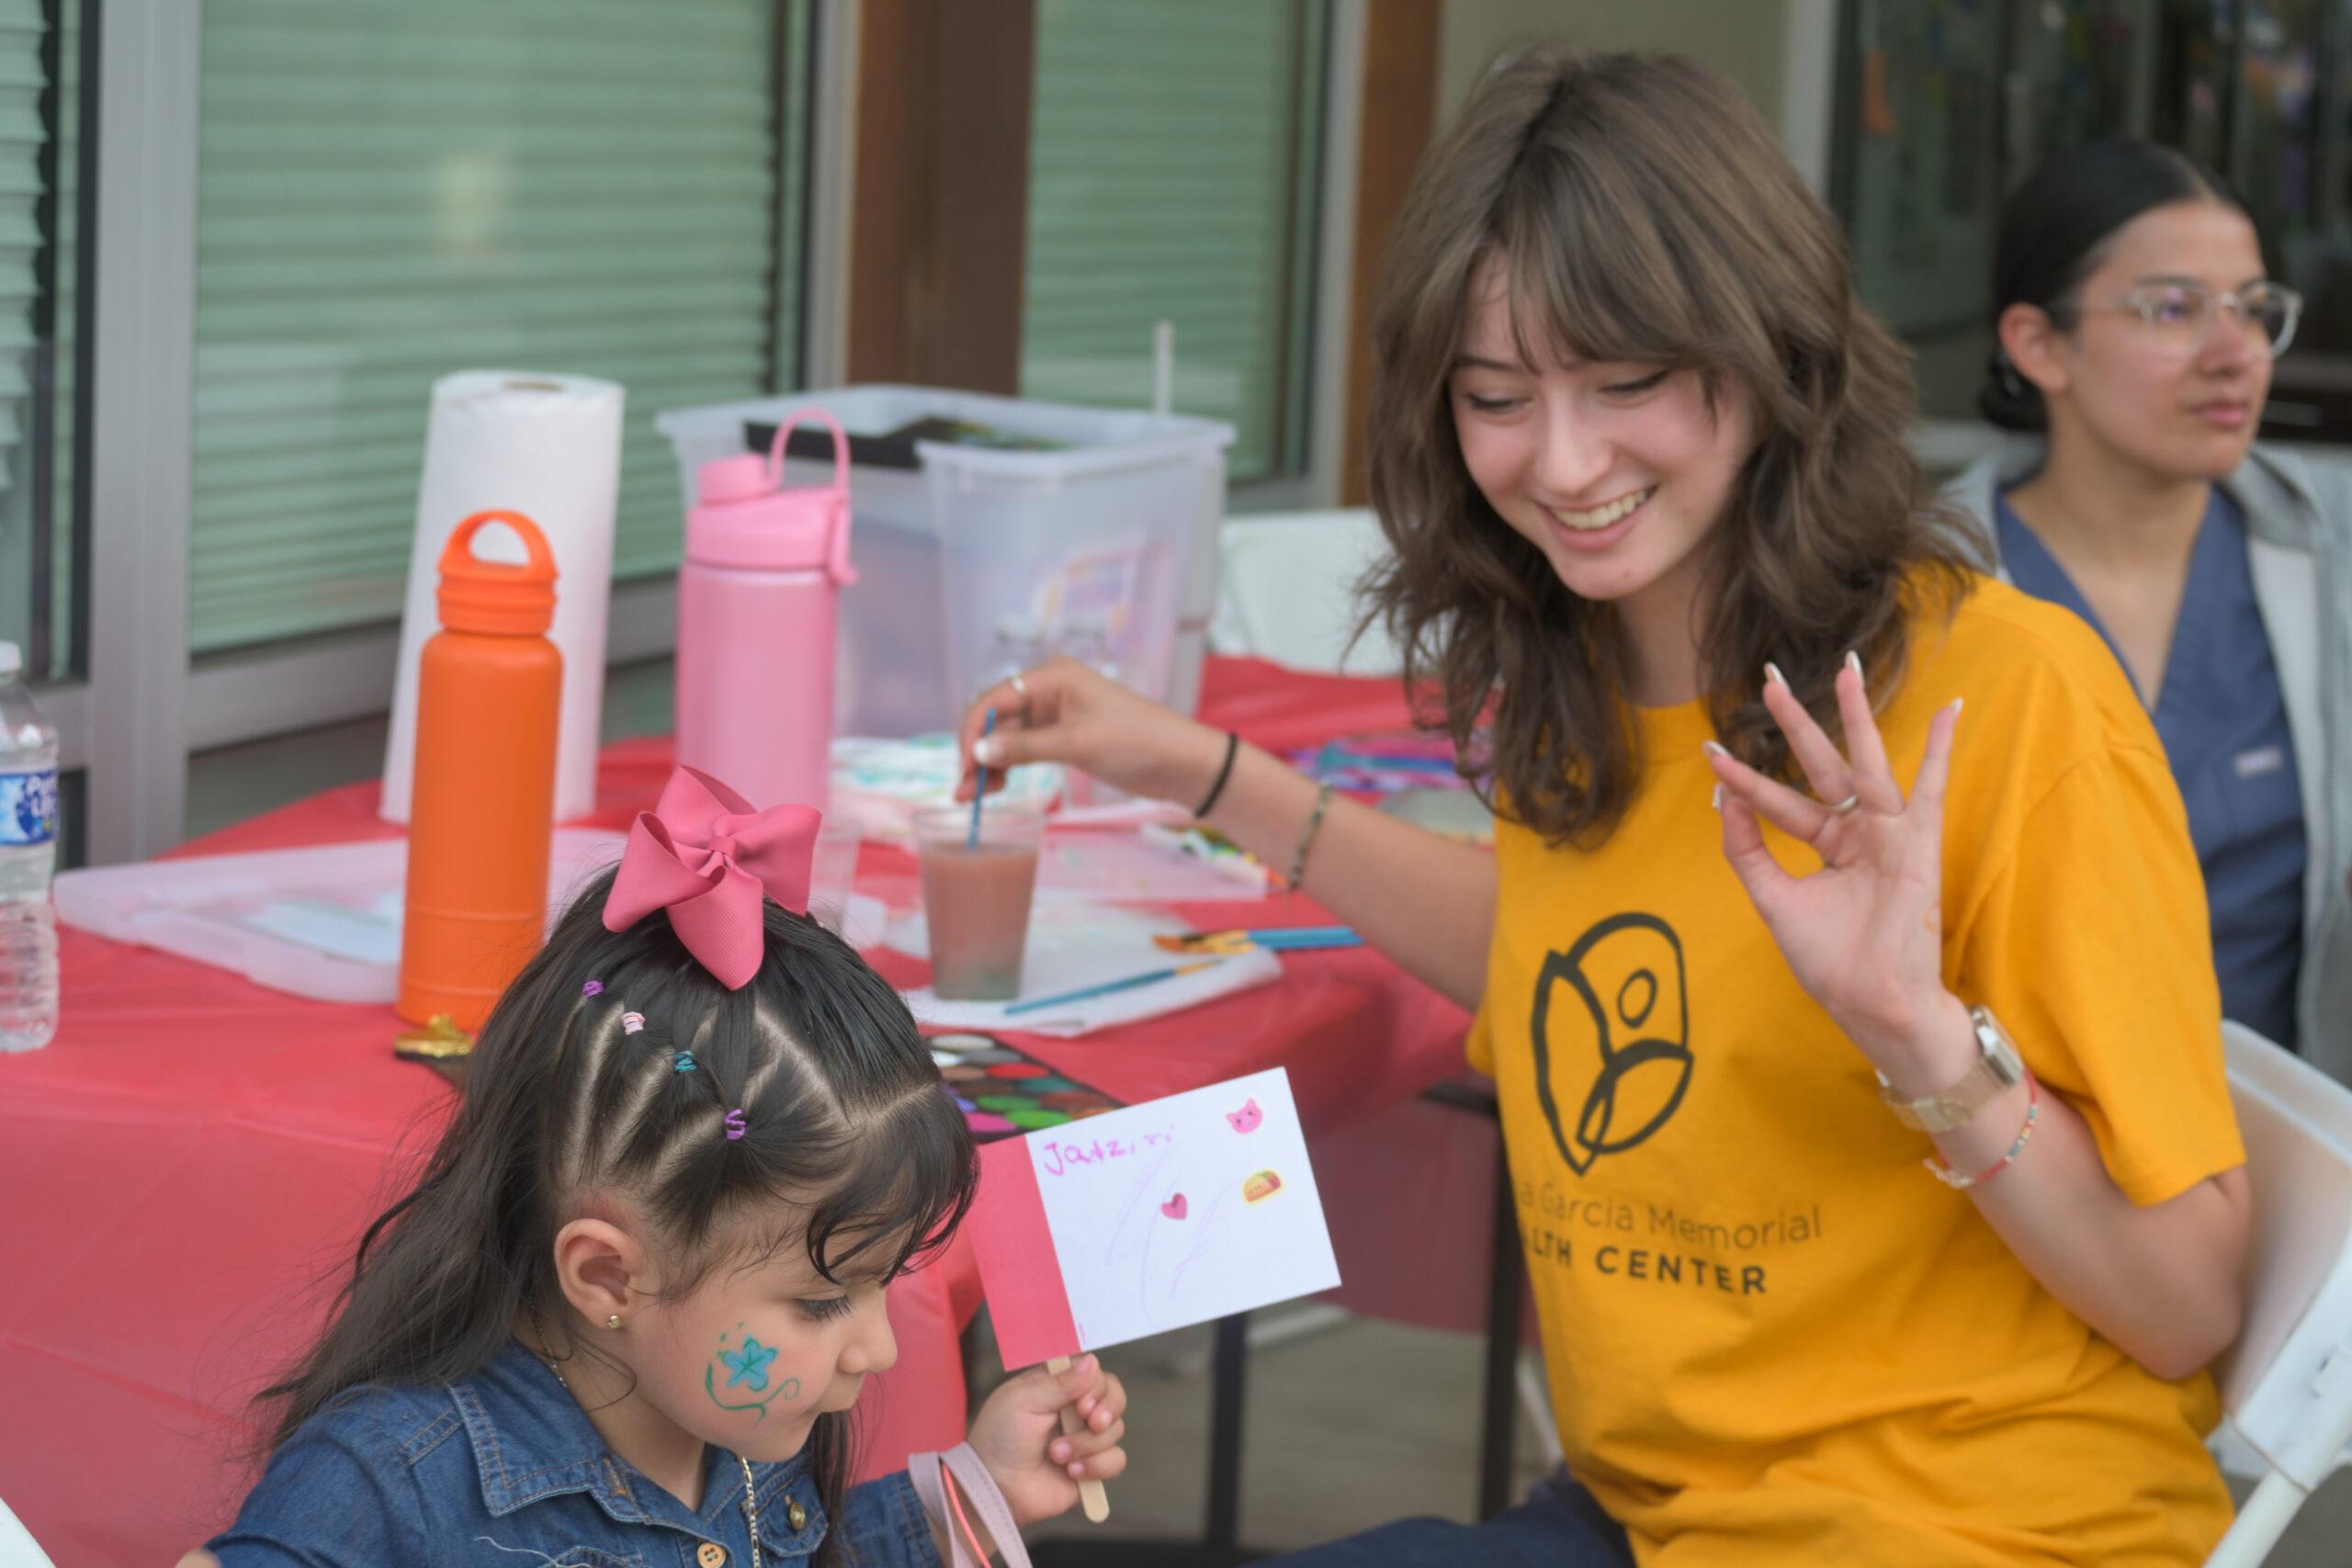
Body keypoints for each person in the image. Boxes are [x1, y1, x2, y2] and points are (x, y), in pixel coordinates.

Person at [957, 45, 2250, 1568]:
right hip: (1653, 1515)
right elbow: (1582, 945)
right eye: (1500, 397)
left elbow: (2188, 1303)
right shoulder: (1594, 651)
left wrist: (1919, 1035)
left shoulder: (2007, 696)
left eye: (1629, 384)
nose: (1565, 464)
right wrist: (1198, 770)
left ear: (1772, 352)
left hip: (1964, 1529)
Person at [189, 767, 1126, 1567]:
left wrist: (980, 1487)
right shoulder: (393, 1477)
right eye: (820, 1300)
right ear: (607, 1274)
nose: (877, 1350)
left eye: (884, 1283)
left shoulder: (741, 1426)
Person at [1945, 139, 2351, 1075]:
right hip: (2020, 1167)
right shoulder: (1923, 592)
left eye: (2254, 312)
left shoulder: (2322, 553)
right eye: (2171, 309)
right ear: (2036, 343)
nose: (2233, 354)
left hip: (2291, 1156)